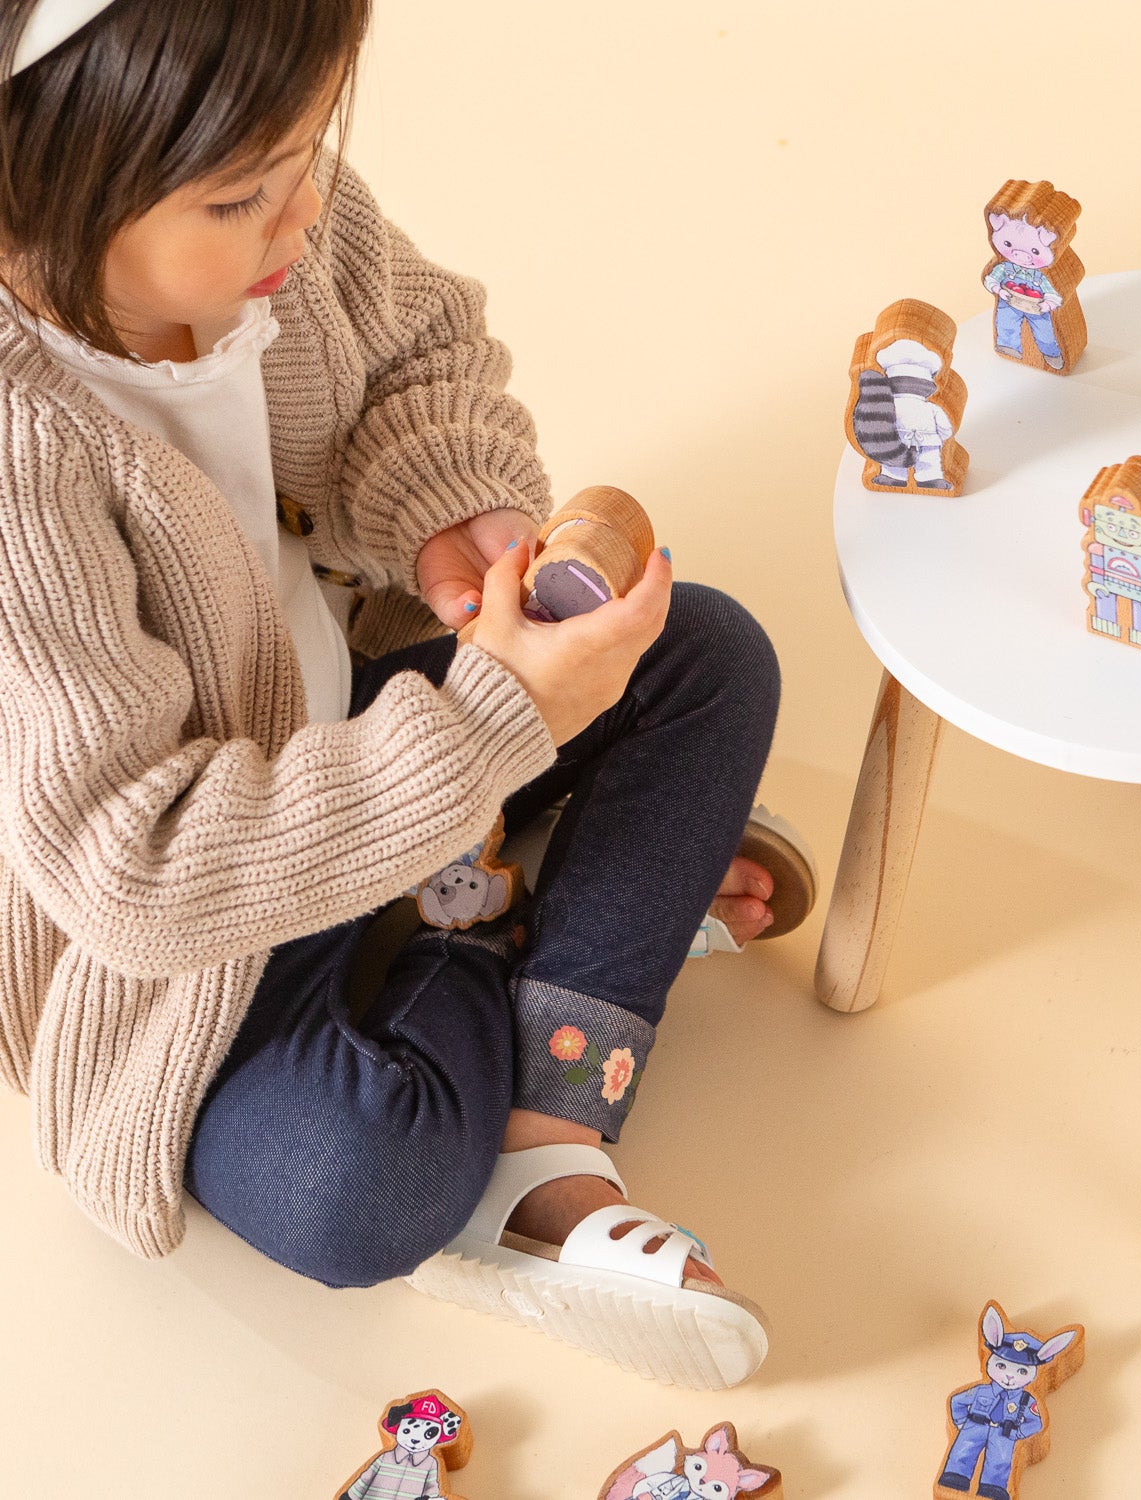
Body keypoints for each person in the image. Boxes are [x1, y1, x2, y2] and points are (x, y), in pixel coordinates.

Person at [0, 0, 805, 1389]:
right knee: (354, 1181)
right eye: (244, 193)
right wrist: (494, 733)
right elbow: (133, 869)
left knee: (709, 653)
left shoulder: (278, 226)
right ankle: (519, 913)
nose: (306, 209)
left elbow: (421, 358)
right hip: (195, 940)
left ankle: (547, 1131)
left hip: (369, 718)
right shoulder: (25, 466)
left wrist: (447, 507)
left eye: (311, 147)